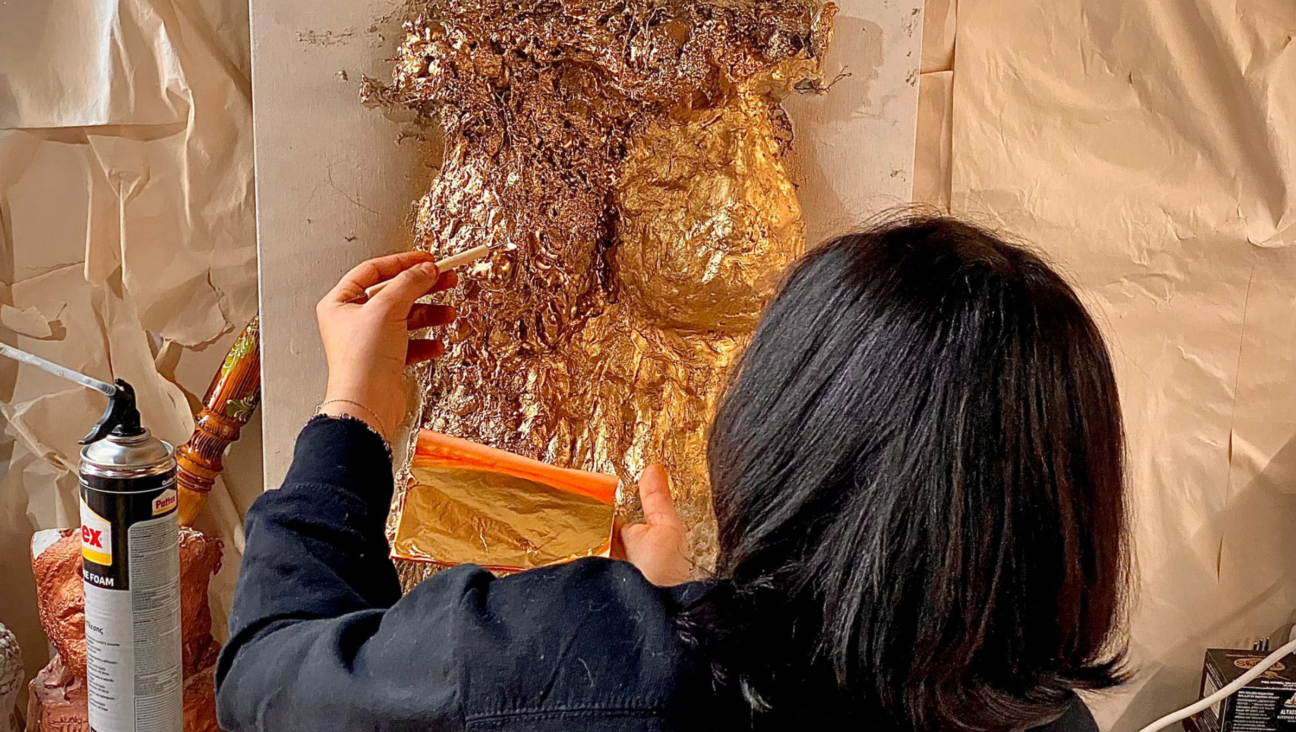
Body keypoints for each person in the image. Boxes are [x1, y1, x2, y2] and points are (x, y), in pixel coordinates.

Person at [216, 215, 1129, 731]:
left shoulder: (583, 657)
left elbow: (266, 681)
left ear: (778, 428)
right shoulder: (1051, 723)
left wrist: (352, 414)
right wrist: (673, 610)